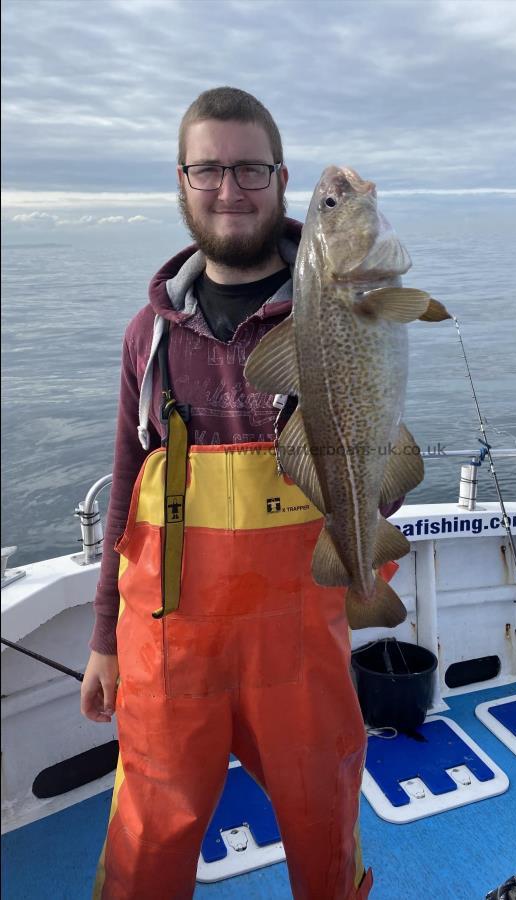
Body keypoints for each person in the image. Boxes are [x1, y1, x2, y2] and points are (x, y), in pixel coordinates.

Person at [81, 87, 374, 899]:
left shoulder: (339, 306)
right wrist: (105, 637)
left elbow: (370, 463)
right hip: (169, 650)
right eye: (208, 169)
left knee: (325, 828)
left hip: (300, 646)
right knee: (146, 843)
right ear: (181, 181)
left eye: (249, 168)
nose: (229, 189)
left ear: (279, 180)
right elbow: (123, 493)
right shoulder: (150, 335)